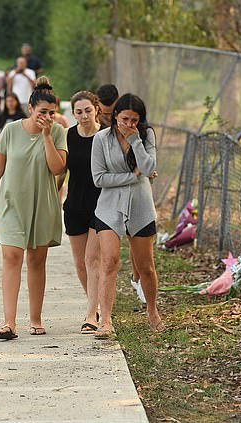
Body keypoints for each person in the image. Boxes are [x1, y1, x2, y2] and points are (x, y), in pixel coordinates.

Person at [0, 76, 67, 340]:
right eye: (42, 113)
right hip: (12, 204)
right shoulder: (11, 130)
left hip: (43, 204)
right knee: (11, 257)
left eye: (51, 113)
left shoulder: (58, 132)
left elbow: (57, 168)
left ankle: (35, 318)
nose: (47, 117)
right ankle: (9, 323)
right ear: (30, 109)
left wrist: (48, 136)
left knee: (37, 260)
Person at [91, 93, 164, 338]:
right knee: (109, 261)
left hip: (140, 206)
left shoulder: (146, 136)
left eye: (135, 120)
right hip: (109, 207)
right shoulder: (101, 139)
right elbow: (99, 178)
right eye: (125, 119)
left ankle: (152, 309)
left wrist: (136, 142)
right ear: (115, 116)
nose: (129, 125)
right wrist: (132, 177)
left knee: (146, 267)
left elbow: (149, 168)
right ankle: (105, 320)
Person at [57, 91, 102, 334]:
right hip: (74, 205)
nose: (84, 116)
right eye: (79, 112)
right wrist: (54, 196)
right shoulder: (68, 136)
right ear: (73, 114)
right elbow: (61, 171)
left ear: (96, 109)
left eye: (88, 110)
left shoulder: (106, 135)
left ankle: (91, 315)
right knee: (80, 264)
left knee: (92, 260)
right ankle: (94, 307)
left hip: (101, 206)